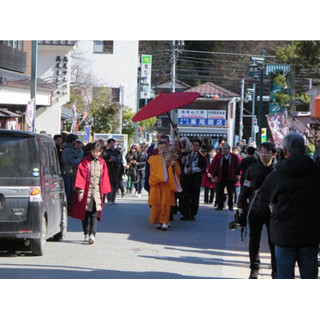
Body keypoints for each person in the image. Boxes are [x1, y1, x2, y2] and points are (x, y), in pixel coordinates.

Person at [260, 133, 320, 279]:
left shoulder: (277, 175)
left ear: (285, 151)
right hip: (310, 234)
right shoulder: (316, 172)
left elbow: (264, 197)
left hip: (283, 235)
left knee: (285, 276)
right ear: (305, 149)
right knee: (310, 276)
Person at [237, 142, 277, 279]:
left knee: (274, 241)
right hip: (254, 209)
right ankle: (254, 268)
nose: (264, 155)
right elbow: (245, 188)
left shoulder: (278, 170)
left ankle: (275, 270)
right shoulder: (252, 169)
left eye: (267, 152)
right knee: (254, 240)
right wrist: (240, 206)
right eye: (261, 152)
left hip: (273, 211)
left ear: (274, 154)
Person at [70, 142, 111, 244]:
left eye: (98, 152)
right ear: (91, 151)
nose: (96, 154)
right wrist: (80, 190)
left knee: (94, 213)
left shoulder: (102, 163)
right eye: (94, 151)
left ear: (101, 152)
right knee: (85, 213)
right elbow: (81, 176)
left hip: (96, 191)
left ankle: (92, 234)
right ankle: (86, 232)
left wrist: (105, 191)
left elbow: (105, 177)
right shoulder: (85, 161)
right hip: (85, 191)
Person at [148, 140, 181, 230]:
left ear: (167, 148)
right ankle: (158, 220)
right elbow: (153, 170)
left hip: (167, 183)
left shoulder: (170, 157)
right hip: (157, 183)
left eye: (164, 148)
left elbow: (176, 171)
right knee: (157, 203)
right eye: (160, 148)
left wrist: (173, 165)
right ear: (158, 148)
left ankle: (165, 221)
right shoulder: (153, 158)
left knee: (165, 203)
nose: (162, 149)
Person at [180, 139, 206, 220]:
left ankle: (192, 213)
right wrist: (183, 161)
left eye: (197, 145)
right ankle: (185, 213)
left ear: (199, 147)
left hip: (195, 180)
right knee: (185, 197)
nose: (195, 147)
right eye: (194, 145)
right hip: (186, 179)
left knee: (194, 198)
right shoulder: (186, 154)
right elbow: (181, 165)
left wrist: (193, 169)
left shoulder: (202, 157)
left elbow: (202, 168)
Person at [211, 143, 240, 211]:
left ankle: (230, 206)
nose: (222, 150)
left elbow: (238, 166)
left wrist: (237, 174)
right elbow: (216, 166)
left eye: (224, 149)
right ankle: (220, 205)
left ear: (228, 149)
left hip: (230, 177)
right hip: (221, 177)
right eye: (222, 148)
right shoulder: (220, 156)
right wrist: (214, 175)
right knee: (219, 191)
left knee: (230, 192)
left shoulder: (234, 156)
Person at [61, 133, 81, 214]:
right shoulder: (67, 150)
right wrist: (78, 160)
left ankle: (70, 208)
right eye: (75, 140)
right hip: (67, 172)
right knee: (68, 191)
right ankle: (68, 208)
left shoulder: (71, 149)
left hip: (71, 172)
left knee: (71, 191)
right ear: (73, 141)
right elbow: (68, 161)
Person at [102, 138, 123, 205]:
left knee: (115, 185)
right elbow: (104, 161)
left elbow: (120, 159)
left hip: (117, 170)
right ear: (108, 144)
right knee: (110, 185)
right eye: (111, 143)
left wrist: (115, 159)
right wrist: (109, 160)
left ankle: (113, 200)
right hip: (109, 170)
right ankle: (109, 200)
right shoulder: (106, 152)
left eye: (113, 143)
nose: (112, 144)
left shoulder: (117, 151)